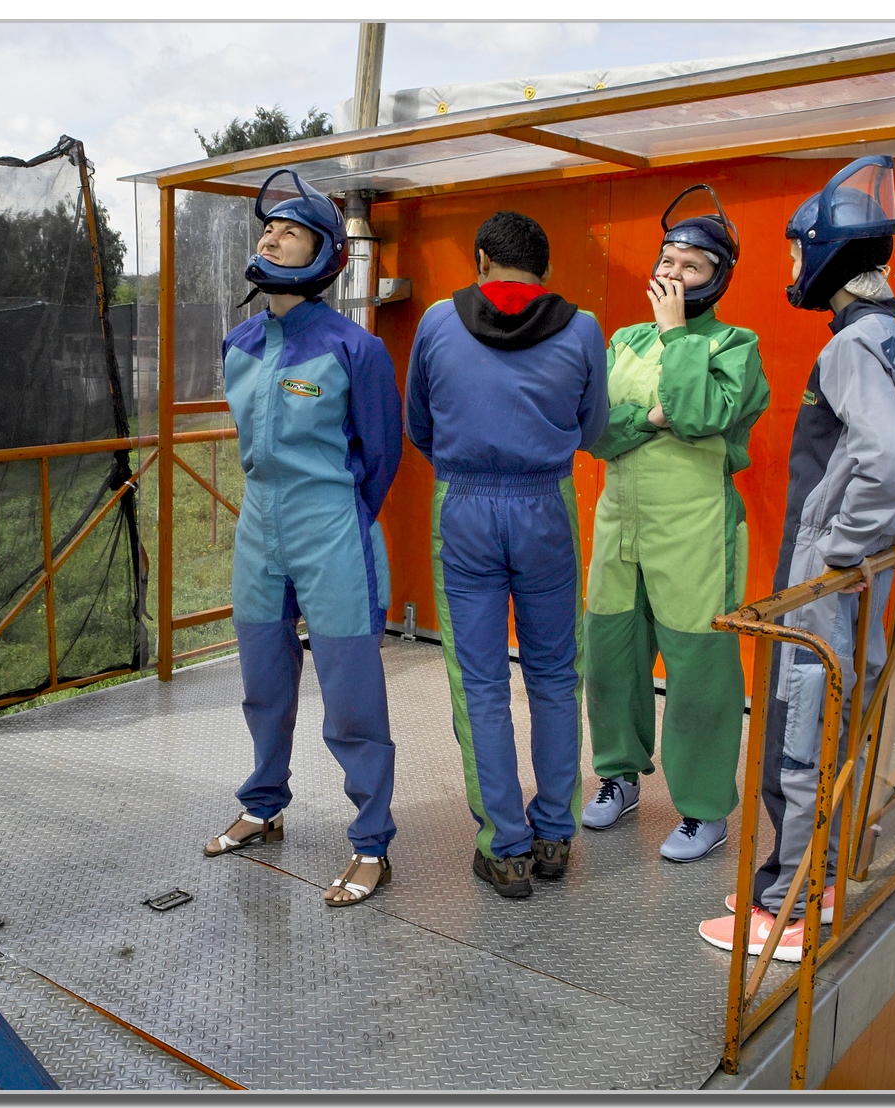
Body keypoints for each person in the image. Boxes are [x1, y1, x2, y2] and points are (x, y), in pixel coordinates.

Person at [699, 155, 895, 960]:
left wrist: (847, 542)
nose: (791, 268)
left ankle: (784, 911)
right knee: (834, 719)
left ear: (826, 254)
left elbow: (888, 453)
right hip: (862, 569)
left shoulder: (853, 346)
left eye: (795, 253)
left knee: (803, 722)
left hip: (829, 571)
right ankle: (802, 881)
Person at [203, 170, 404, 910]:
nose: (272, 237)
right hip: (259, 525)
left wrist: (340, 516)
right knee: (262, 680)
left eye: (291, 231)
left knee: (350, 692)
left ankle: (371, 841)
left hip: (331, 527)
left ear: (323, 255)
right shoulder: (240, 341)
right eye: (269, 228)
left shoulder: (356, 349)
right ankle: (263, 805)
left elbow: (382, 454)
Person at [405, 211, 609, 899]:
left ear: (482, 259)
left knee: (481, 683)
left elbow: (419, 426)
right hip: (545, 506)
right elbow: (593, 429)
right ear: (544, 269)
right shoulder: (583, 328)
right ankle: (554, 835)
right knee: (555, 675)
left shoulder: (437, 321)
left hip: (464, 505)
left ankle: (506, 848)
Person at [580, 185, 770, 864]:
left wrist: (676, 336)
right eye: (668, 261)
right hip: (620, 524)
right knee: (610, 654)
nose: (675, 274)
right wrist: (648, 419)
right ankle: (618, 775)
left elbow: (697, 415)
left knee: (698, 668)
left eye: (692, 266)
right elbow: (595, 431)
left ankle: (702, 808)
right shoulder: (623, 341)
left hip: (695, 529)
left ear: (718, 277)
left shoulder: (734, 345)